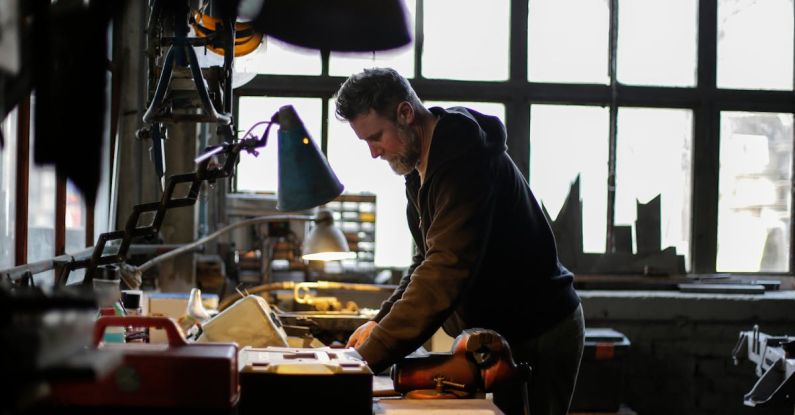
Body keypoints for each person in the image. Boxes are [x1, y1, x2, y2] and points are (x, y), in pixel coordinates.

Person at [334, 67, 584, 415]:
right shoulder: (419, 172)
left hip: (540, 329)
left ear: (405, 113)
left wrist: (363, 360)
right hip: (497, 336)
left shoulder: (464, 160)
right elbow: (426, 260)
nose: (374, 153)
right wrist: (380, 322)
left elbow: (444, 270)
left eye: (376, 137)